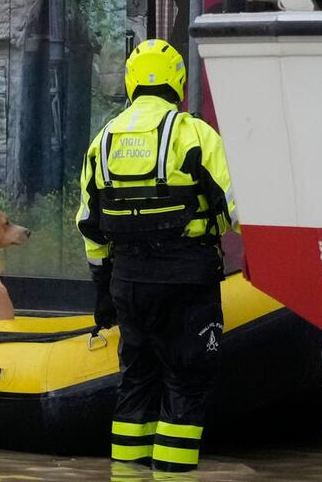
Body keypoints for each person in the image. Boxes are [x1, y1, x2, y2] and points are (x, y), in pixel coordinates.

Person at [75, 39, 238, 472]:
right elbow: (235, 208)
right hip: (188, 282)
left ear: (131, 83)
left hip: (127, 284)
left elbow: (89, 225)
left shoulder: (102, 142)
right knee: (186, 385)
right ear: (178, 83)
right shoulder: (194, 134)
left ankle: (125, 476)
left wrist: (101, 292)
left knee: (135, 384)